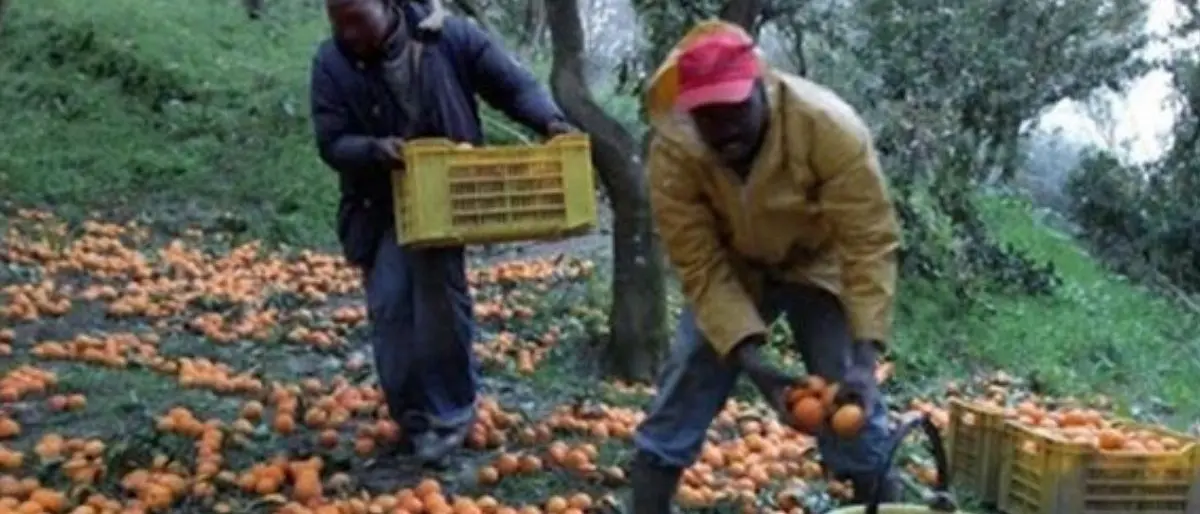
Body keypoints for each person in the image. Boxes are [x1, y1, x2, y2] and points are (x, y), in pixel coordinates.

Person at [630, 21, 903, 510]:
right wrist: (752, 362)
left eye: (735, 111)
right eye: (708, 117)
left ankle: (879, 495)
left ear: (762, 88)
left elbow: (868, 242)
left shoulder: (826, 127)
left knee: (848, 396)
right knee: (687, 380)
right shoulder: (675, 153)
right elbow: (699, 262)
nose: (724, 131)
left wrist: (865, 361)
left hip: (816, 261)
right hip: (732, 268)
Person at [308, 0, 573, 466]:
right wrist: (376, 149)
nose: (348, 33)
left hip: (443, 197)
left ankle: (449, 416)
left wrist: (549, 120)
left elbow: (511, 85)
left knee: (438, 307)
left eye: (357, 20)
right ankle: (412, 418)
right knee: (391, 308)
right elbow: (332, 142)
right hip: (379, 205)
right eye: (338, 23)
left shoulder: (448, 37)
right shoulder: (332, 63)